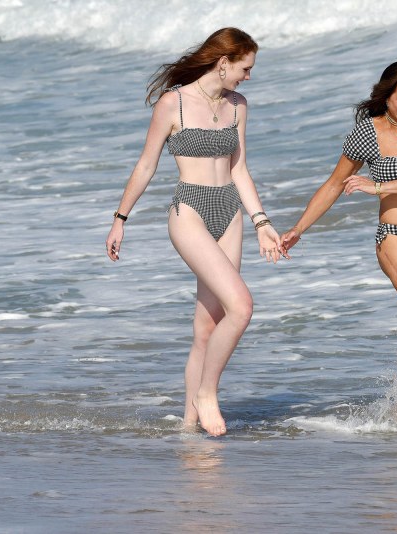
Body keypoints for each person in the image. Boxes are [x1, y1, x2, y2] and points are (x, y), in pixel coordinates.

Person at [105, 28, 284, 436]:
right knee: (242, 306)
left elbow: (239, 168)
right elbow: (146, 164)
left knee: (207, 327)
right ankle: (207, 393)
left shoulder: (238, 105)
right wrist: (120, 219)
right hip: (190, 211)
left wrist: (262, 223)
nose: (248, 77)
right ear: (224, 63)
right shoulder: (174, 104)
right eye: (245, 68)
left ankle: (189, 430)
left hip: (230, 212)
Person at [281, 61, 397, 418]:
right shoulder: (366, 134)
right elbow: (334, 184)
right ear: (386, 96)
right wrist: (298, 229)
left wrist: (377, 186)